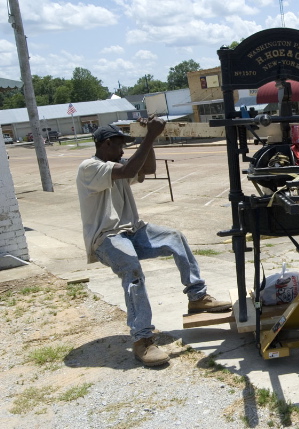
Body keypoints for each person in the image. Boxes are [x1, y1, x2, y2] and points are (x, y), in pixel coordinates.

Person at [76, 118, 231, 367]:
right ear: (106, 144)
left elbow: (147, 169)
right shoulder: (90, 168)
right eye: (119, 145)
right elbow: (128, 171)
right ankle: (142, 339)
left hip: (133, 231)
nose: (123, 150)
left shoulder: (117, 164)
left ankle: (197, 297)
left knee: (175, 237)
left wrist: (152, 137)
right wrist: (149, 136)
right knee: (131, 266)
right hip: (107, 238)